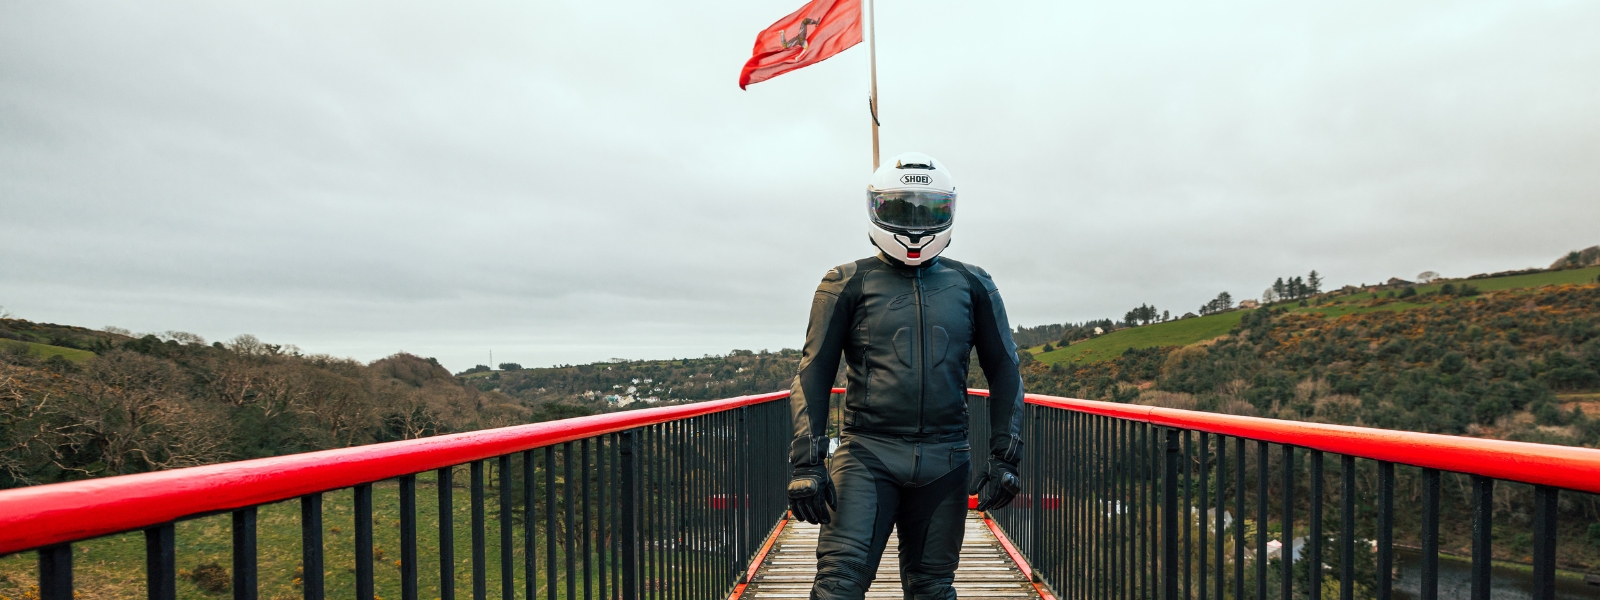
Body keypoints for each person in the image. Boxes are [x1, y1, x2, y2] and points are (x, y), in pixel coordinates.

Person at [787, 152, 1026, 600]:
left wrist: (1005, 458)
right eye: (901, 207)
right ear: (876, 207)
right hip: (866, 455)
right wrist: (806, 462)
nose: (916, 222)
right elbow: (815, 371)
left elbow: (1005, 371)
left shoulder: (974, 284)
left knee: (932, 591)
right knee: (838, 586)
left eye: (930, 209)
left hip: (946, 459)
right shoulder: (846, 282)